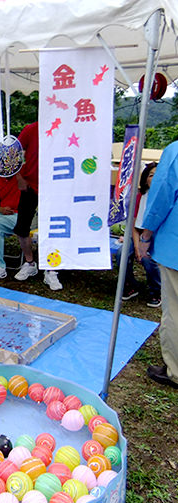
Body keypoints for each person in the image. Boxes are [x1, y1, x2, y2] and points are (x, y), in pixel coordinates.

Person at [137, 141, 178, 389]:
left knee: (174, 309)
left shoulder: (175, 152)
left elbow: (162, 195)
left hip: (175, 246)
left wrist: (146, 235)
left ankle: (175, 371)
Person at [12, 121, 62, 290]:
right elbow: (13, 153)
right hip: (31, 185)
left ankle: (51, 269)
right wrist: (19, 178)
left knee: (53, 229)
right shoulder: (31, 128)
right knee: (22, 227)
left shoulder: (67, 127)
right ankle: (29, 263)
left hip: (56, 186)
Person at [116, 163, 161, 307]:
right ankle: (131, 286)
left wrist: (144, 245)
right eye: (151, 175)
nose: (154, 178)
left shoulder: (164, 197)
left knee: (148, 259)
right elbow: (134, 226)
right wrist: (136, 246)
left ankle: (156, 291)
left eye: (157, 175)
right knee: (122, 253)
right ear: (145, 178)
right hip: (138, 234)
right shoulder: (140, 197)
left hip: (157, 237)